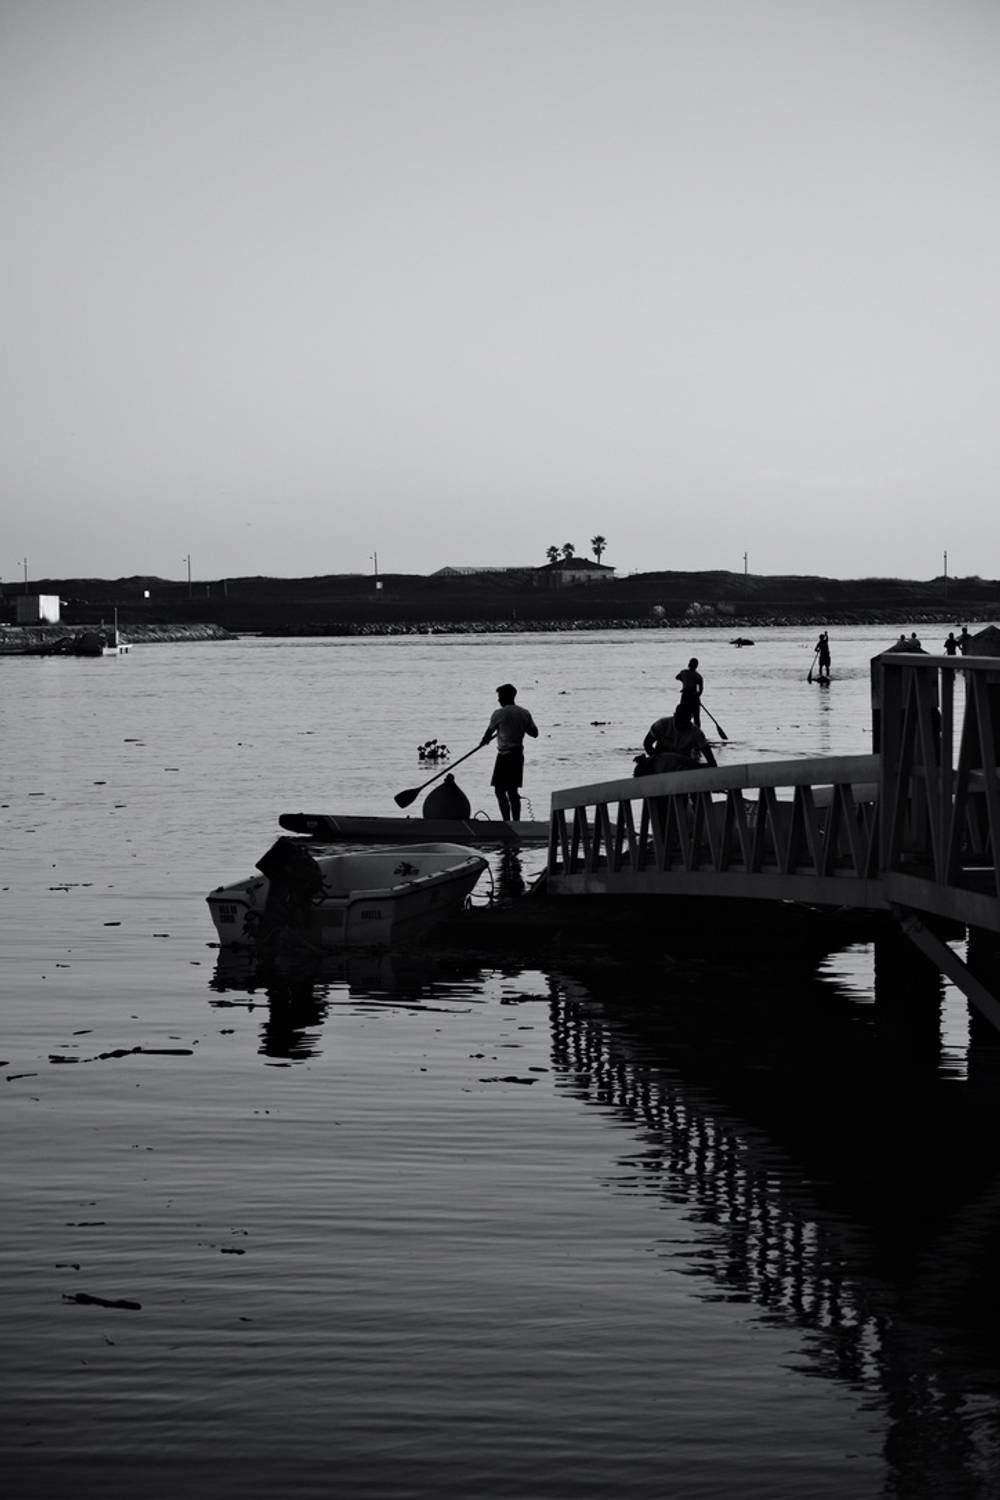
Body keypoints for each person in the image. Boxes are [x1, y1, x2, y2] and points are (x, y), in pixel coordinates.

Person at [480, 683, 538, 821]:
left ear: (506, 697)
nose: (498, 700)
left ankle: (506, 821)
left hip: (505, 756)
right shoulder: (524, 713)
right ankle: (516, 822)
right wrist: (520, 726)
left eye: (500, 697)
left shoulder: (499, 713)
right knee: (513, 791)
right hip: (518, 755)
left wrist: (484, 741)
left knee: (499, 791)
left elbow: (488, 735)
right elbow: (534, 733)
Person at [637, 701, 717, 775]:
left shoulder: (696, 733)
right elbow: (647, 743)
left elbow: (708, 755)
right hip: (661, 759)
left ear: (690, 718)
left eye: (685, 720)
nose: (681, 723)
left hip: (682, 763)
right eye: (679, 719)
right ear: (675, 715)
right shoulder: (662, 724)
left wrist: (712, 767)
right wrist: (655, 758)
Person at [675, 657, 704, 725]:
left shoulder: (683, 672)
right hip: (694, 697)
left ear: (689, 664)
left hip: (685, 696)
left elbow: (677, 677)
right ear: (696, 666)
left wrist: (684, 681)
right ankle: (697, 732)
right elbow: (701, 689)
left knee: (684, 716)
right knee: (696, 717)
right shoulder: (698, 676)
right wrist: (697, 697)